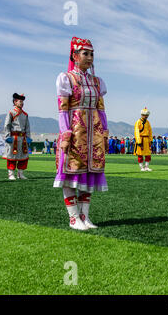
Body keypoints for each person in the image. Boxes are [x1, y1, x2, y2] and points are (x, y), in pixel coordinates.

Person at [54, 36, 108, 231]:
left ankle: (85, 216)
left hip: (94, 132)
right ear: (75, 56)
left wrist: (105, 132)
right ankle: (73, 217)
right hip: (76, 131)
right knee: (71, 171)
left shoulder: (96, 81)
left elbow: (101, 110)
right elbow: (62, 109)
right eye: (86, 53)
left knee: (90, 173)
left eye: (92, 54)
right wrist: (65, 133)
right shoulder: (66, 79)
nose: (90, 57)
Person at [3, 93, 32, 180]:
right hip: (13, 138)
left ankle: (20, 173)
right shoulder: (11, 113)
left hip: (22, 138)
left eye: (22, 101)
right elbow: (7, 125)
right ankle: (11, 174)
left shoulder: (25, 114)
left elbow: (27, 127)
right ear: (15, 102)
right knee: (12, 155)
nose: (22, 103)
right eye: (20, 101)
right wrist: (7, 136)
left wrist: (28, 137)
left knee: (23, 156)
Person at [134, 107, 153, 172]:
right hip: (141, 139)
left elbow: (150, 131)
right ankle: (141, 167)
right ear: (142, 115)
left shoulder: (148, 122)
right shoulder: (138, 122)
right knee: (140, 154)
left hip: (147, 139)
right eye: (145, 115)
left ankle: (146, 167)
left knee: (148, 154)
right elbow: (136, 132)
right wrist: (139, 141)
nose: (146, 116)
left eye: (147, 115)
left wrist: (151, 140)